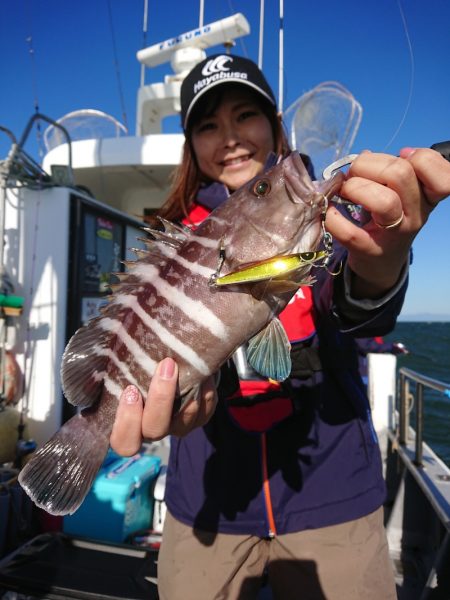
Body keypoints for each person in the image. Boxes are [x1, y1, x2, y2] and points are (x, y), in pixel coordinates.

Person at [109, 54, 450, 599]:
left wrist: (381, 263)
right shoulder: (173, 239)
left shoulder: (319, 216)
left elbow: (359, 304)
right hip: (208, 501)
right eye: (207, 125)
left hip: (333, 491)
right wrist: (181, 402)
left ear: (274, 124)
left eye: (246, 115)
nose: (231, 138)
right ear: (191, 144)